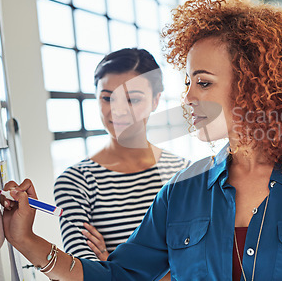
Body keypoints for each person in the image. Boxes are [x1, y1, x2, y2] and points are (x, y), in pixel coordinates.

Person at [1, 0, 282, 280]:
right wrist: (26, 241)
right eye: (188, 82)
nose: (190, 97)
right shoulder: (181, 191)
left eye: (204, 82)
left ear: (255, 87)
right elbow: (117, 275)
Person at [54, 49, 188, 279]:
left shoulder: (184, 173)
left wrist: (115, 267)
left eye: (132, 99)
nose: (117, 110)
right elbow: (82, 274)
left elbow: (197, 265)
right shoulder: (76, 182)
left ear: (156, 100)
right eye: (107, 98)